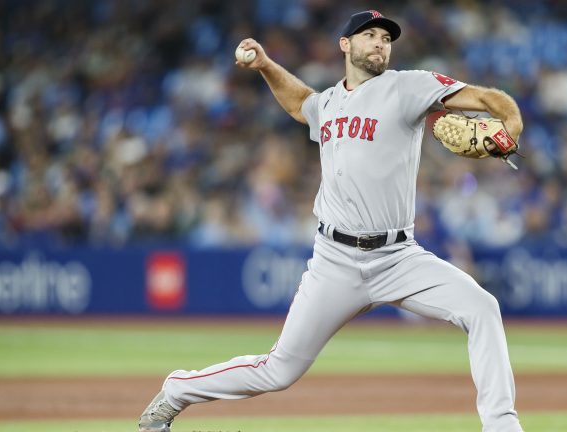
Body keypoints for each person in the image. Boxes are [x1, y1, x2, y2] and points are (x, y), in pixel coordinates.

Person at [139, 10, 524, 432]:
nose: (379, 42)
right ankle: (177, 389)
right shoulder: (330, 102)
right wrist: (266, 65)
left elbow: (489, 100)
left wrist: (513, 124)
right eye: (369, 35)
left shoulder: (407, 86)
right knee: (277, 371)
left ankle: (502, 426)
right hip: (335, 262)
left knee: (482, 307)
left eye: (385, 37)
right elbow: (300, 104)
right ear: (346, 45)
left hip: (399, 257)